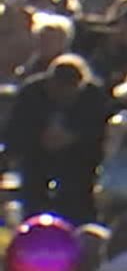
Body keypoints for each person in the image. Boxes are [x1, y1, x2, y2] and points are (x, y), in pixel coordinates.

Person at [4, 54, 112, 223]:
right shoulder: (31, 92)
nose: (62, 94)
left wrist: (73, 137)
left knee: (78, 189)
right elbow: (15, 130)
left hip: (78, 160)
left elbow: (100, 132)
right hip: (36, 157)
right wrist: (40, 137)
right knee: (33, 188)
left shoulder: (94, 96)